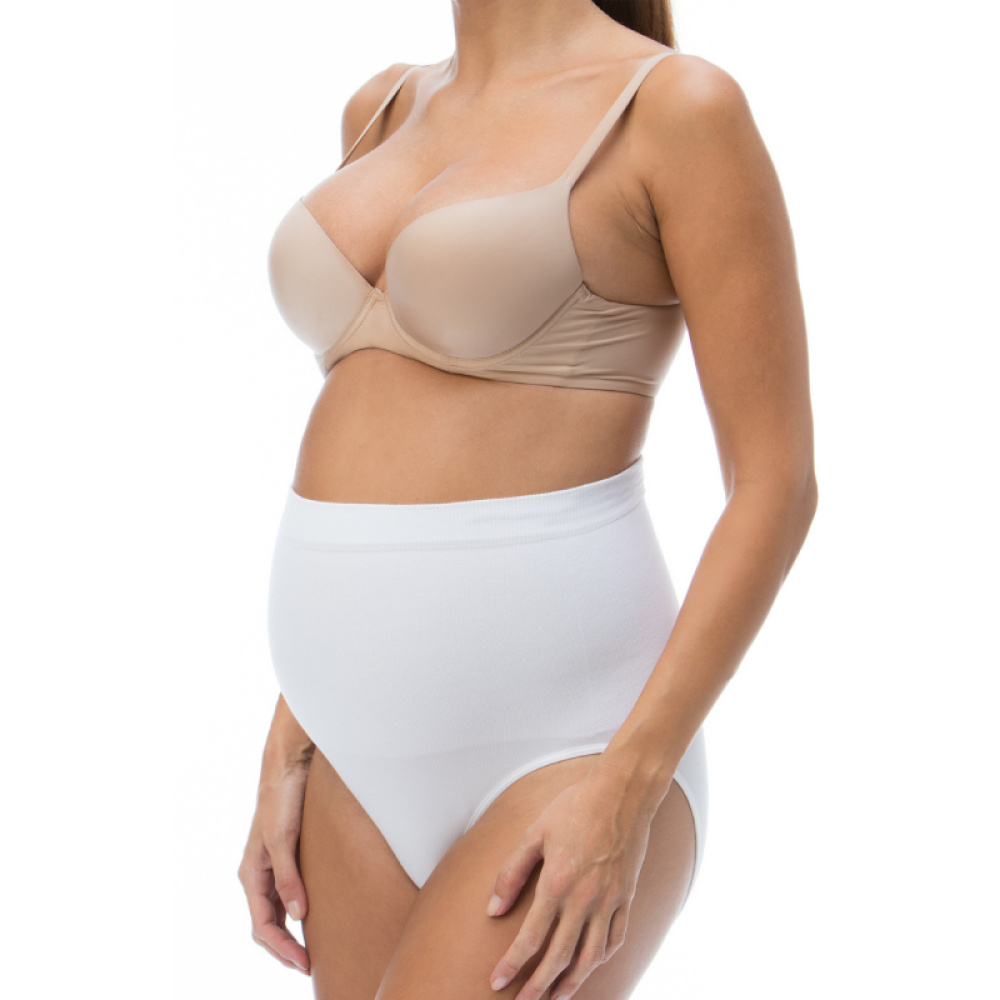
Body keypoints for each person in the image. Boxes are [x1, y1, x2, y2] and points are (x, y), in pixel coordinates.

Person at [238, 1, 817, 997]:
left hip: (570, 746)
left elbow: (775, 485)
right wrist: (294, 728)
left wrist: (627, 788)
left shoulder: (675, 109)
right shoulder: (382, 109)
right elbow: (382, 423)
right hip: (348, 757)